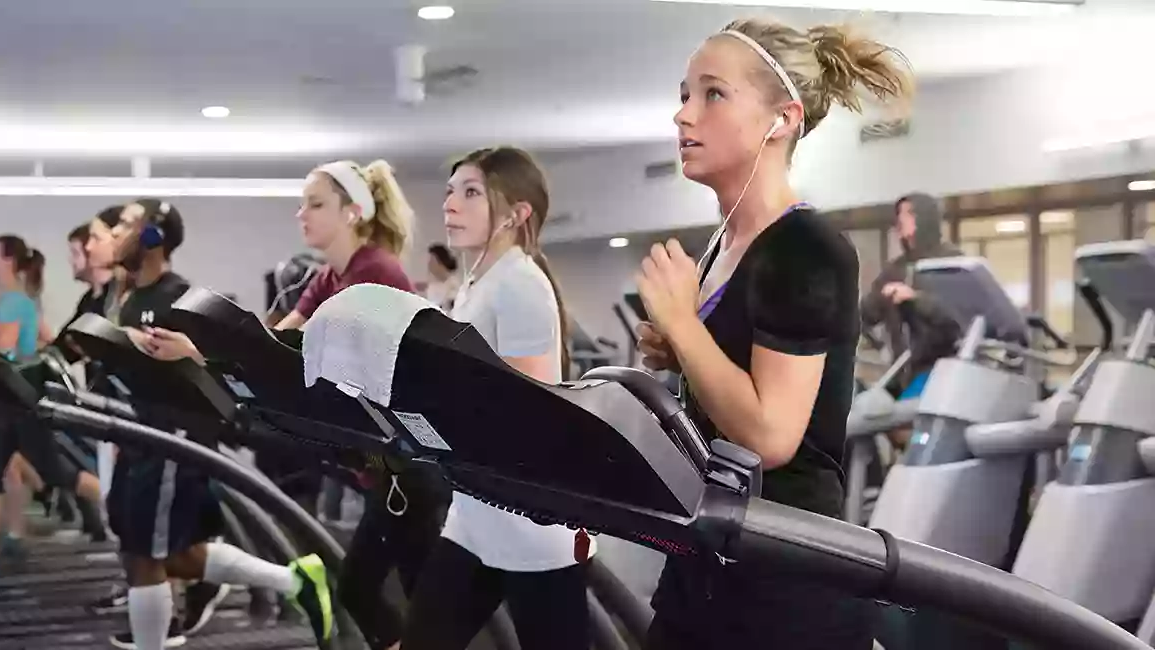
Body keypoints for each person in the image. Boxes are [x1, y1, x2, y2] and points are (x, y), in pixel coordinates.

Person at [634, 18, 913, 649]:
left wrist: (683, 323)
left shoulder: (810, 250)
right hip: (707, 562)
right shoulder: (722, 246)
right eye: (683, 95)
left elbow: (771, 435)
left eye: (712, 94)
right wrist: (680, 348)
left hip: (785, 588)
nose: (684, 115)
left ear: (780, 119)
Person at [139, 160, 423, 650]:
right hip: (380, 461)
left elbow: (309, 353)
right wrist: (198, 348)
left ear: (353, 212)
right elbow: (273, 345)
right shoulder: (328, 277)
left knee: (408, 597)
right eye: (301, 204)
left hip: (412, 461)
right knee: (370, 591)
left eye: (316, 205)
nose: (301, 215)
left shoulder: (374, 272)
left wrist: (201, 351)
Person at [85, 198, 332, 650]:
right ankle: (295, 579)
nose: (115, 233)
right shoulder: (129, 296)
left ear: (155, 238)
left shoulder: (180, 299)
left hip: (174, 436)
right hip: (139, 434)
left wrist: (184, 352)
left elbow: (229, 367)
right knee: (173, 555)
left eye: (125, 225)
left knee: (145, 556)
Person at [398, 146, 591, 650]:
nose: (450, 205)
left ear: (516, 212)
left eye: (471, 193)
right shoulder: (476, 284)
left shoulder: (520, 283)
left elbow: (531, 408)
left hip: (531, 520)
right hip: (477, 511)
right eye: (449, 192)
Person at [0, 235, 105, 578]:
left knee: (57, 473)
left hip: (23, 395)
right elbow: (41, 339)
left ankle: (125, 505)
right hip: (12, 394)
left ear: (9, 260)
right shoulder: (14, 300)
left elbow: (6, 351)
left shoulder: (13, 301)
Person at [860, 193, 963, 407]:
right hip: (901, 372)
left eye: (909, 213)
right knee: (863, 415)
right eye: (899, 214)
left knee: (907, 422)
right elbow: (867, 312)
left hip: (940, 371)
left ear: (925, 218)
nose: (901, 219)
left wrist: (915, 298)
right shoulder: (895, 269)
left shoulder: (952, 261)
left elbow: (958, 317)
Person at [422, 243, 461, 310]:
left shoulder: (454, 286)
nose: (429, 266)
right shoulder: (432, 286)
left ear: (441, 263)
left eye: (432, 262)